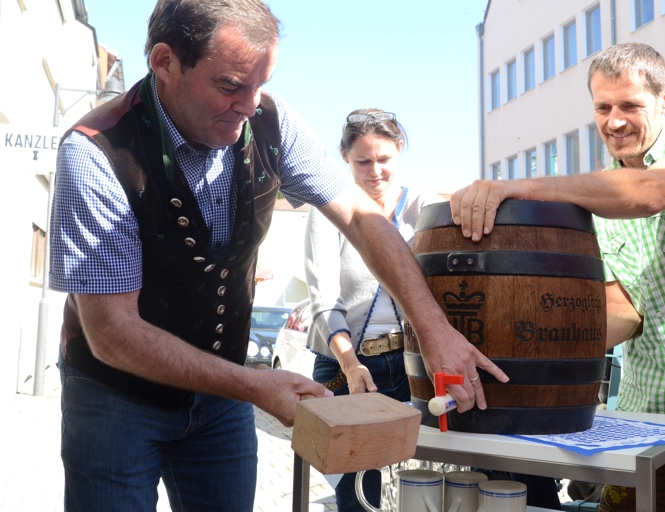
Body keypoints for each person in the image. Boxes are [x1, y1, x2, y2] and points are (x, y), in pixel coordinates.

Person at [48, 1, 507, 511]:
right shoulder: (96, 153)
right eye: (230, 85)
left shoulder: (271, 120)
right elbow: (112, 332)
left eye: (260, 84)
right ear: (165, 62)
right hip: (115, 394)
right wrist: (252, 384)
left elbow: (361, 217)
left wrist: (434, 330)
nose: (249, 105)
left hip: (222, 396)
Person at [450, 42, 665, 511]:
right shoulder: (596, 204)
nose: (614, 122)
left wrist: (520, 187)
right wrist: (516, 362)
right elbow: (624, 313)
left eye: (630, 106)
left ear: (664, 99)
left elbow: (652, 192)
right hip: (652, 407)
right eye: (603, 108)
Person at [304, 108, 444, 510]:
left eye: (384, 159)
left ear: (399, 150)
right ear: (344, 157)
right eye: (363, 161)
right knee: (356, 493)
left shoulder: (425, 207)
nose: (375, 171)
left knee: (421, 483)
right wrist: (350, 364)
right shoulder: (327, 209)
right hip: (348, 364)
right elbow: (323, 297)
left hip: (411, 363)